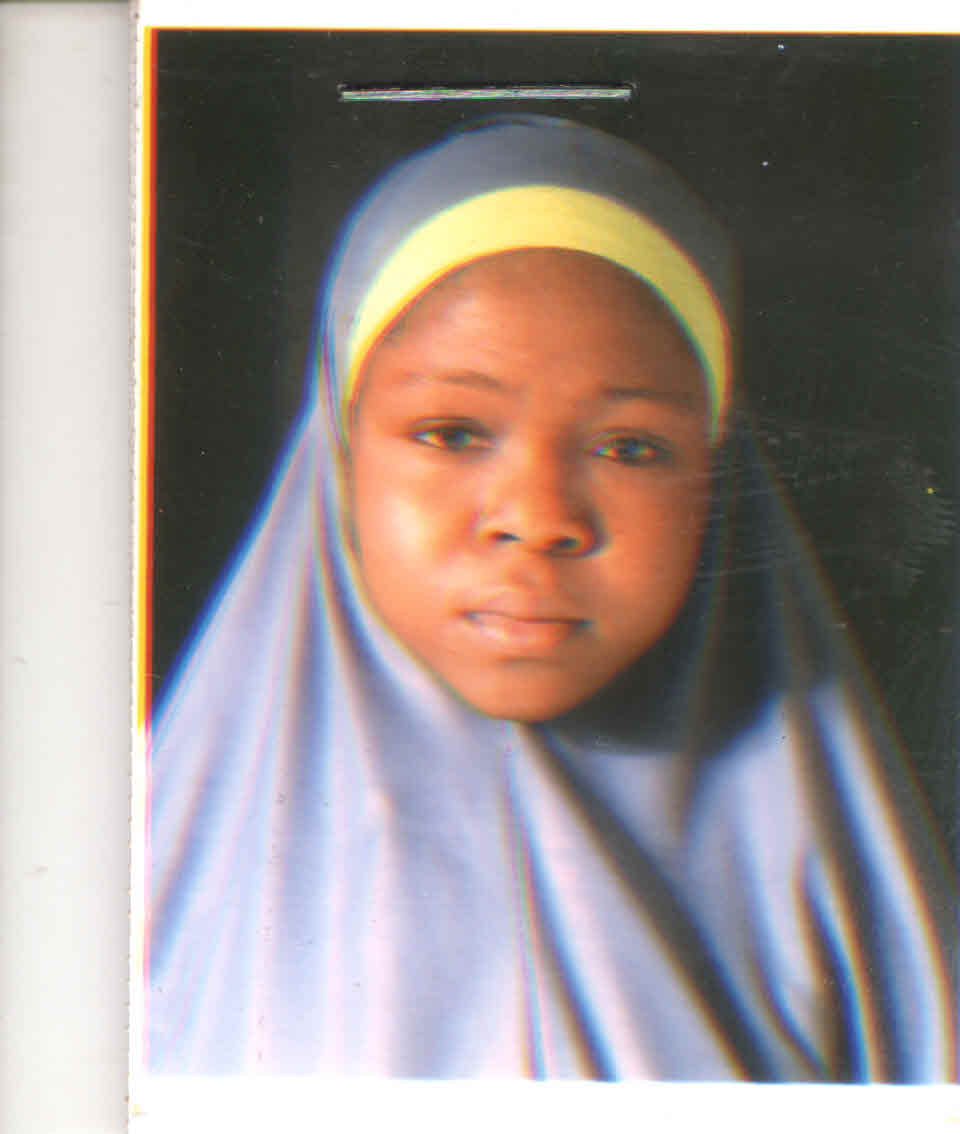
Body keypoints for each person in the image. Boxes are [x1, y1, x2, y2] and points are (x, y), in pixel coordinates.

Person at [145, 115, 956, 1080]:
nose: (538, 518)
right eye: (451, 432)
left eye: (630, 448)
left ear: (718, 473)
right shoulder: (135, 880)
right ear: (339, 453)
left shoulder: (836, 897)